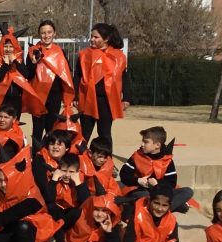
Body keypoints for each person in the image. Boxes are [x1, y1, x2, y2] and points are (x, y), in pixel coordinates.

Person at [74, 23, 129, 152]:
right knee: (84, 133)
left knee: (105, 133)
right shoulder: (84, 54)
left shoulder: (119, 56)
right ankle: (79, 159)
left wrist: (126, 97)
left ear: (106, 39)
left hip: (107, 101)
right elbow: (77, 76)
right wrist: (75, 96)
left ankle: (106, 159)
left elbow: (124, 77)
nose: (92, 39)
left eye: (96, 37)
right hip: (87, 99)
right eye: (91, 36)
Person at [23, 20, 75, 146]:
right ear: (39, 34)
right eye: (43, 33)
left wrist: (67, 96)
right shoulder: (33, 51)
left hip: (54, 95)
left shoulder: (60, 52)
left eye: (49, 32)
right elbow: (28, 74)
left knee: (51, 128)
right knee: (37, 129)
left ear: (54, 33)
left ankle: (49, 154)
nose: (46, 36)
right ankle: (36, 155)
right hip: (38, 96)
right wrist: (33, 63)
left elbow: (65, 75)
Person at [118, 126, 194, 212]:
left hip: (159, 192)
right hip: (140, 190)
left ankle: (162, 209)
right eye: (142, 141)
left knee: (188, 191)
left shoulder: (167, 160)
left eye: (146, 142)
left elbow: (171, 183)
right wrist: (138, 180)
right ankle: (167, 207)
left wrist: (157, 184)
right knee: (143, 195)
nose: (142, 144)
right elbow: (124, 175)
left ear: (157, 145)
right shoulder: (136, 156)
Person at [0, 27, 37, 118]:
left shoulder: (19, 61)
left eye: (11, 47)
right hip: (1, 99)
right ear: (1, 47)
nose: (8, 49)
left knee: (15, 123)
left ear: (15, 47)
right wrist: (5, 65)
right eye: (5, 46)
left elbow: (26, 74)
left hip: (16, 98)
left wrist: (15, 61)